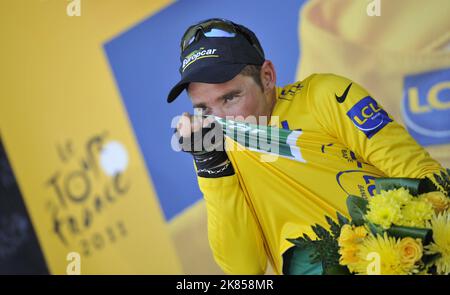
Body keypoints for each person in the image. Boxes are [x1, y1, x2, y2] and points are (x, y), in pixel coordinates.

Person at [167, 18, 449, 275]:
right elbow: (244, 269)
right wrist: (212, 169)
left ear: (267, 77)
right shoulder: (216, 153)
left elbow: (424, 174)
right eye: (204, 108)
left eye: (230, 98)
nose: (220, 119)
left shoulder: (325, 96)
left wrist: (400, 251)